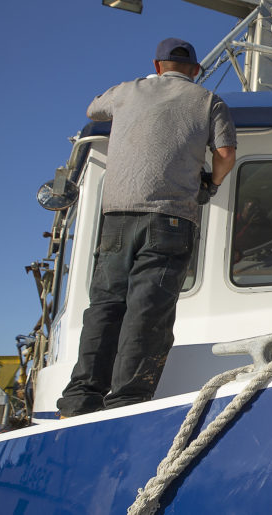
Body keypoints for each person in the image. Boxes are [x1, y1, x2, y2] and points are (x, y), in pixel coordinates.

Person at [57, 38, 237, 416]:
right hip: (170, 218)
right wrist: (212, 184)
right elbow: (225, 155)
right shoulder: (208, 100)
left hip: (117, 219)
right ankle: (127, 401)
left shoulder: (126, 91)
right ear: (196, 71)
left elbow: (94, 108)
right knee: (148, 309)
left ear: (158, 65)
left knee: (105, 305)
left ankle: (79, 400)